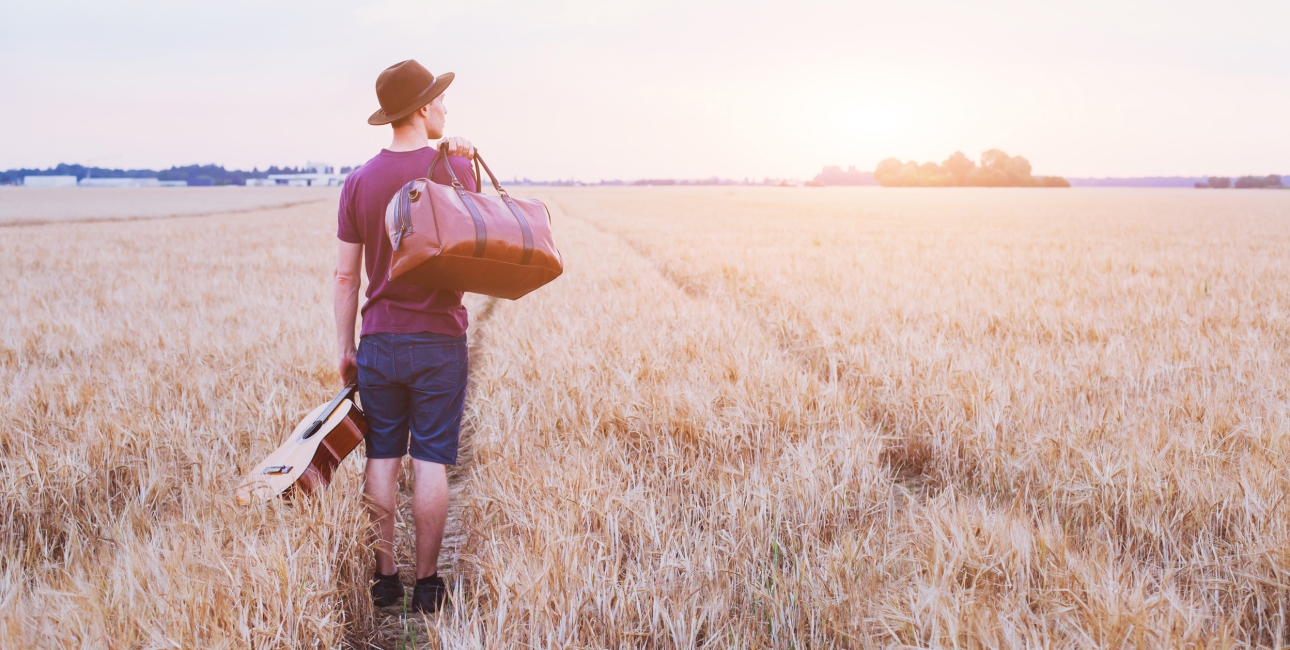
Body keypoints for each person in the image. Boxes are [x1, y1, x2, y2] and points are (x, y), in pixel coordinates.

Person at [334, 59, 478, 614]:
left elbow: (347, 276)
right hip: (439, 339)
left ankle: (385, 578)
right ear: (421, 108)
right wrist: (462, 158)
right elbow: (487, 243)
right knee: (433, 461)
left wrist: (347, 348)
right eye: (439, 99)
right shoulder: (454, 171)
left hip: (380, 341)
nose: (445, 107)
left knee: (384, 455)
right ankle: (427, 586)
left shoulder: (358, 181)